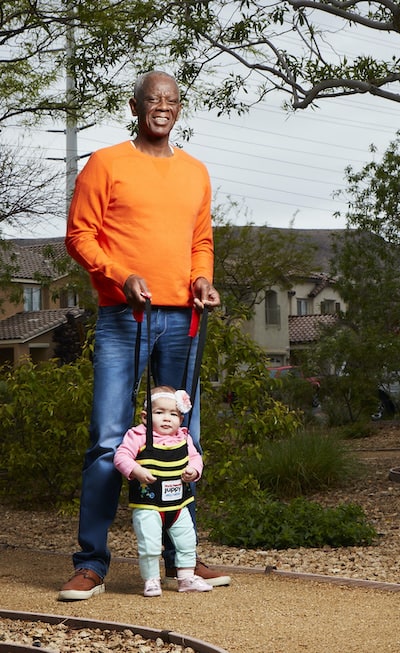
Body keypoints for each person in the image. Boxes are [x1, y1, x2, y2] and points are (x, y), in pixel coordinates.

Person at [58, 70, 230, 602]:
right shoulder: (107, 163)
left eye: (171, 100)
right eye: (152, 99)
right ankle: (91, 563)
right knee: (110, 441)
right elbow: (78, 236)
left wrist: (203, 277)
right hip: (123, 317)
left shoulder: (196, 172)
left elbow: (201, 240)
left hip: (184, 320)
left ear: (179, 110)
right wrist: (118, 275)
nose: (162, 106)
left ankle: (184, 556)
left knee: (183, 438)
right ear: (135, 107)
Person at [114, 385, 212, 596]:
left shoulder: (183, 438)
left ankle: (186, 578)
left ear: (181, 419)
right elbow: (121, 457)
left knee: (187, 541)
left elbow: (196, 458)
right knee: (149, 545)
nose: (167, 419)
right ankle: (151, 580)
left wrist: (193, 470)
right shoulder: (138, 436)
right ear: (146, 417)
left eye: (173, 414)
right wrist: (136, 470)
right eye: (159, 413)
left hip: (179, 504)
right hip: (148, 505)